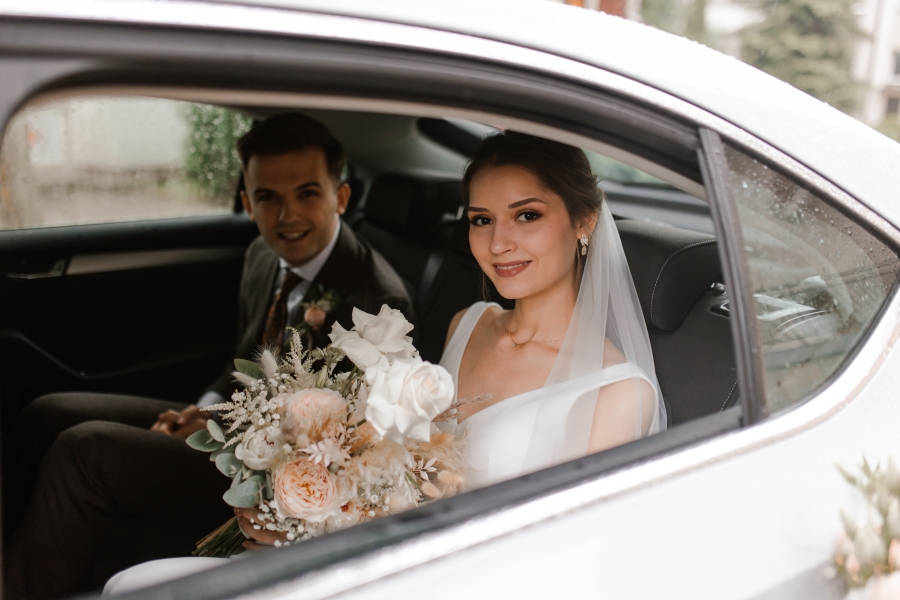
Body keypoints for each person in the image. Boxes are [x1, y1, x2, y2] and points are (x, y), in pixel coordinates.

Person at [99, 130, 665, 596]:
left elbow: (566, 568)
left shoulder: (618, 394)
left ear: (584, 220)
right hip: (377, 559)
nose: (498, 244)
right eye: (481, 219)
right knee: (133, 583)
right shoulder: (467, 323)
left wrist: (330, 537)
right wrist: (310, 516)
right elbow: (401, 465)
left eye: (527, 215)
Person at [3, 113, 414, 600]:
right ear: (248, 202)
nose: (287, 216)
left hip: (274, 476)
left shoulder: (378, 303)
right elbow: (242, 359)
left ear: (340, 197)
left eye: (307, 193)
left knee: (84, 450)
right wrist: (201, 411)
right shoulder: (263, 256)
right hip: (232, 427)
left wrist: (220, 433)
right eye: (268, 197)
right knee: (49, 412)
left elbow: (342, 450)